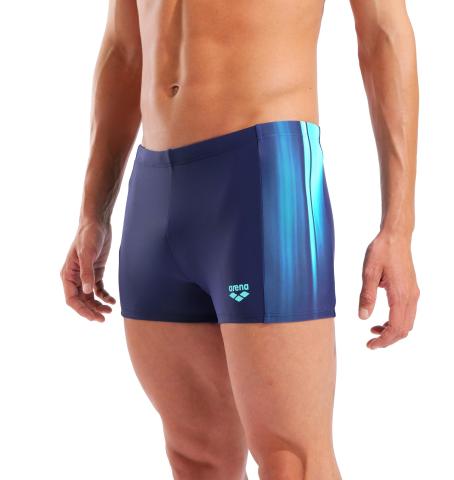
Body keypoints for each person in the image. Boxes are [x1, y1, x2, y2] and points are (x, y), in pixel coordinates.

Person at [60, 0, 420, 478]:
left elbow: (383, 33)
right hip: (155, 189)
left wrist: (398, 227)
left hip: (264, 176)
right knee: (196, 458)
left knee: (293, 461)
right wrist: (93, 212)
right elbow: (124, 50)